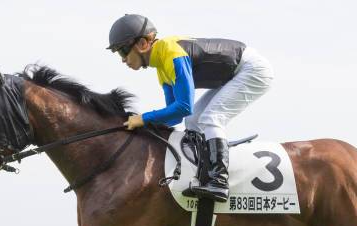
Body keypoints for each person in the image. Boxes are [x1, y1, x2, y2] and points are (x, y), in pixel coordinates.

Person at [107, 14, 274, 202]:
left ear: (143, 43)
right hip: (234, 73)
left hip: (252, 69)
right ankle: (203, 176)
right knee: (193, 120)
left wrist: (143, 118)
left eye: (122, 51)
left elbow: (184, 106)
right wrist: (143, 124)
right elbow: (176, 117)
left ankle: (219, 181)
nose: (122, 60)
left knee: (211, 118)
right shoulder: (161, 69)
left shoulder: (171, 52)